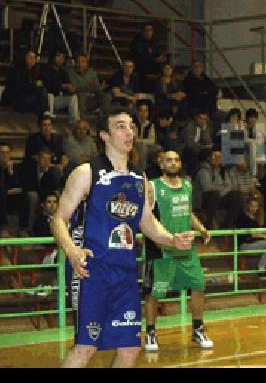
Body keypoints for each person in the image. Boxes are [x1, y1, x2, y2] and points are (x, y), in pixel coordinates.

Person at [49, 106, 194, 368]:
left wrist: (173, 239)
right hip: (92, 271)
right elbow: (59, 219)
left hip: (125, 273)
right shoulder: (86, 173)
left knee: (129, 348)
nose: (129, 132)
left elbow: (148, 223)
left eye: (131, 126)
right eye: (120, 126)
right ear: (104, 135)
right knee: (86, 346)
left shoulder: (140, 178)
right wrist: (72, 251)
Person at [142, 150, 213, 352]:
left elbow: (188, 212)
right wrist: (158, 237)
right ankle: (150, 332)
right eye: (168, 160)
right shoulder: (153, 186)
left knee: (198, 285)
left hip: (187, 249)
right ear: (161, 163)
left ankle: (198, 329)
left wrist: (201, 228)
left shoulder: (188, 185)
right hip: (164, 248)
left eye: (176, 160)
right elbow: (146, 216)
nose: (173, 163)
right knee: (155, 292)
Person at [0, 49, 49, 116]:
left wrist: (37, 85)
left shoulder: (37, 69)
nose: (32, 59)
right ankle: (45, 113)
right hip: (16, 99)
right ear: (25, 58)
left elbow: (44, 82)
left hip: (28, 97)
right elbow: (17, 87)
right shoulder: (17, 69)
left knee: (42, 92)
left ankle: (45, 113)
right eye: (30, 57)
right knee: (41, 94)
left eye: (34, 58)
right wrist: (34, 85)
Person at [67, 53, 110, 120]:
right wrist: (87, 87)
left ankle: (102, 120)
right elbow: (74, 89)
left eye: (83, 62)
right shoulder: (71, 73)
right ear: (75, 63)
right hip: (77, 100)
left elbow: (95, 88)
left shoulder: (92, 73)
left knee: (105, 96)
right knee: (81, 95)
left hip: (91, 99)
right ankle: (81, 121)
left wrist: (98, 88)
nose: (80, 64)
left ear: (87, 63)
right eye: (78, 62)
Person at [42, 50, 79, 123]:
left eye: (63, 57)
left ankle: (74, 120)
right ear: (53, 57)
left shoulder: (63, 72)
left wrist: (71, 89)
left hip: (58, 99)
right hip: (47, 98)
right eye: (58, 56)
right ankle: (49, 120)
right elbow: (46, 85)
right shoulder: (46, 69)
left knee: (73, 97)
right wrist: (61, 85)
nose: (61, 59)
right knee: (50, 96)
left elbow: (67, 85)